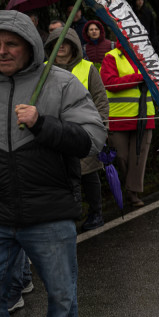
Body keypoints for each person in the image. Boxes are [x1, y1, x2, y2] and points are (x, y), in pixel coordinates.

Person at [0, 10, 107, 317]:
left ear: (30, 46)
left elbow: (91, 139)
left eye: (11, 44)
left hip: (50, 212)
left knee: (61, 294)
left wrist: (42, 123)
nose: (2, 51)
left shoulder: (59, 83)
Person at [46, 27, 111, 231]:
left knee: (88, 174)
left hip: (84, 132)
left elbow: (100, 99)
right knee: (61, 177)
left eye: (66, 42)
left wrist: (100, 128)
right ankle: (68, 216)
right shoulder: (44, 69)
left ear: (74, 45)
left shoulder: (88, 67)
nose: (62, 46)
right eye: (58, 42)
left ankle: (95, 213)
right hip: (56, 133)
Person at [100, 31, 157, 207]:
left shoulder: (147, 57)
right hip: (119, 117)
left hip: (144, 116)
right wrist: (139, 78)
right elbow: (109, 83)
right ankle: (125, 188)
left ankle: (133, 193)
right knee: (122, 158)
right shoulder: (111, 57)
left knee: (138, 158)